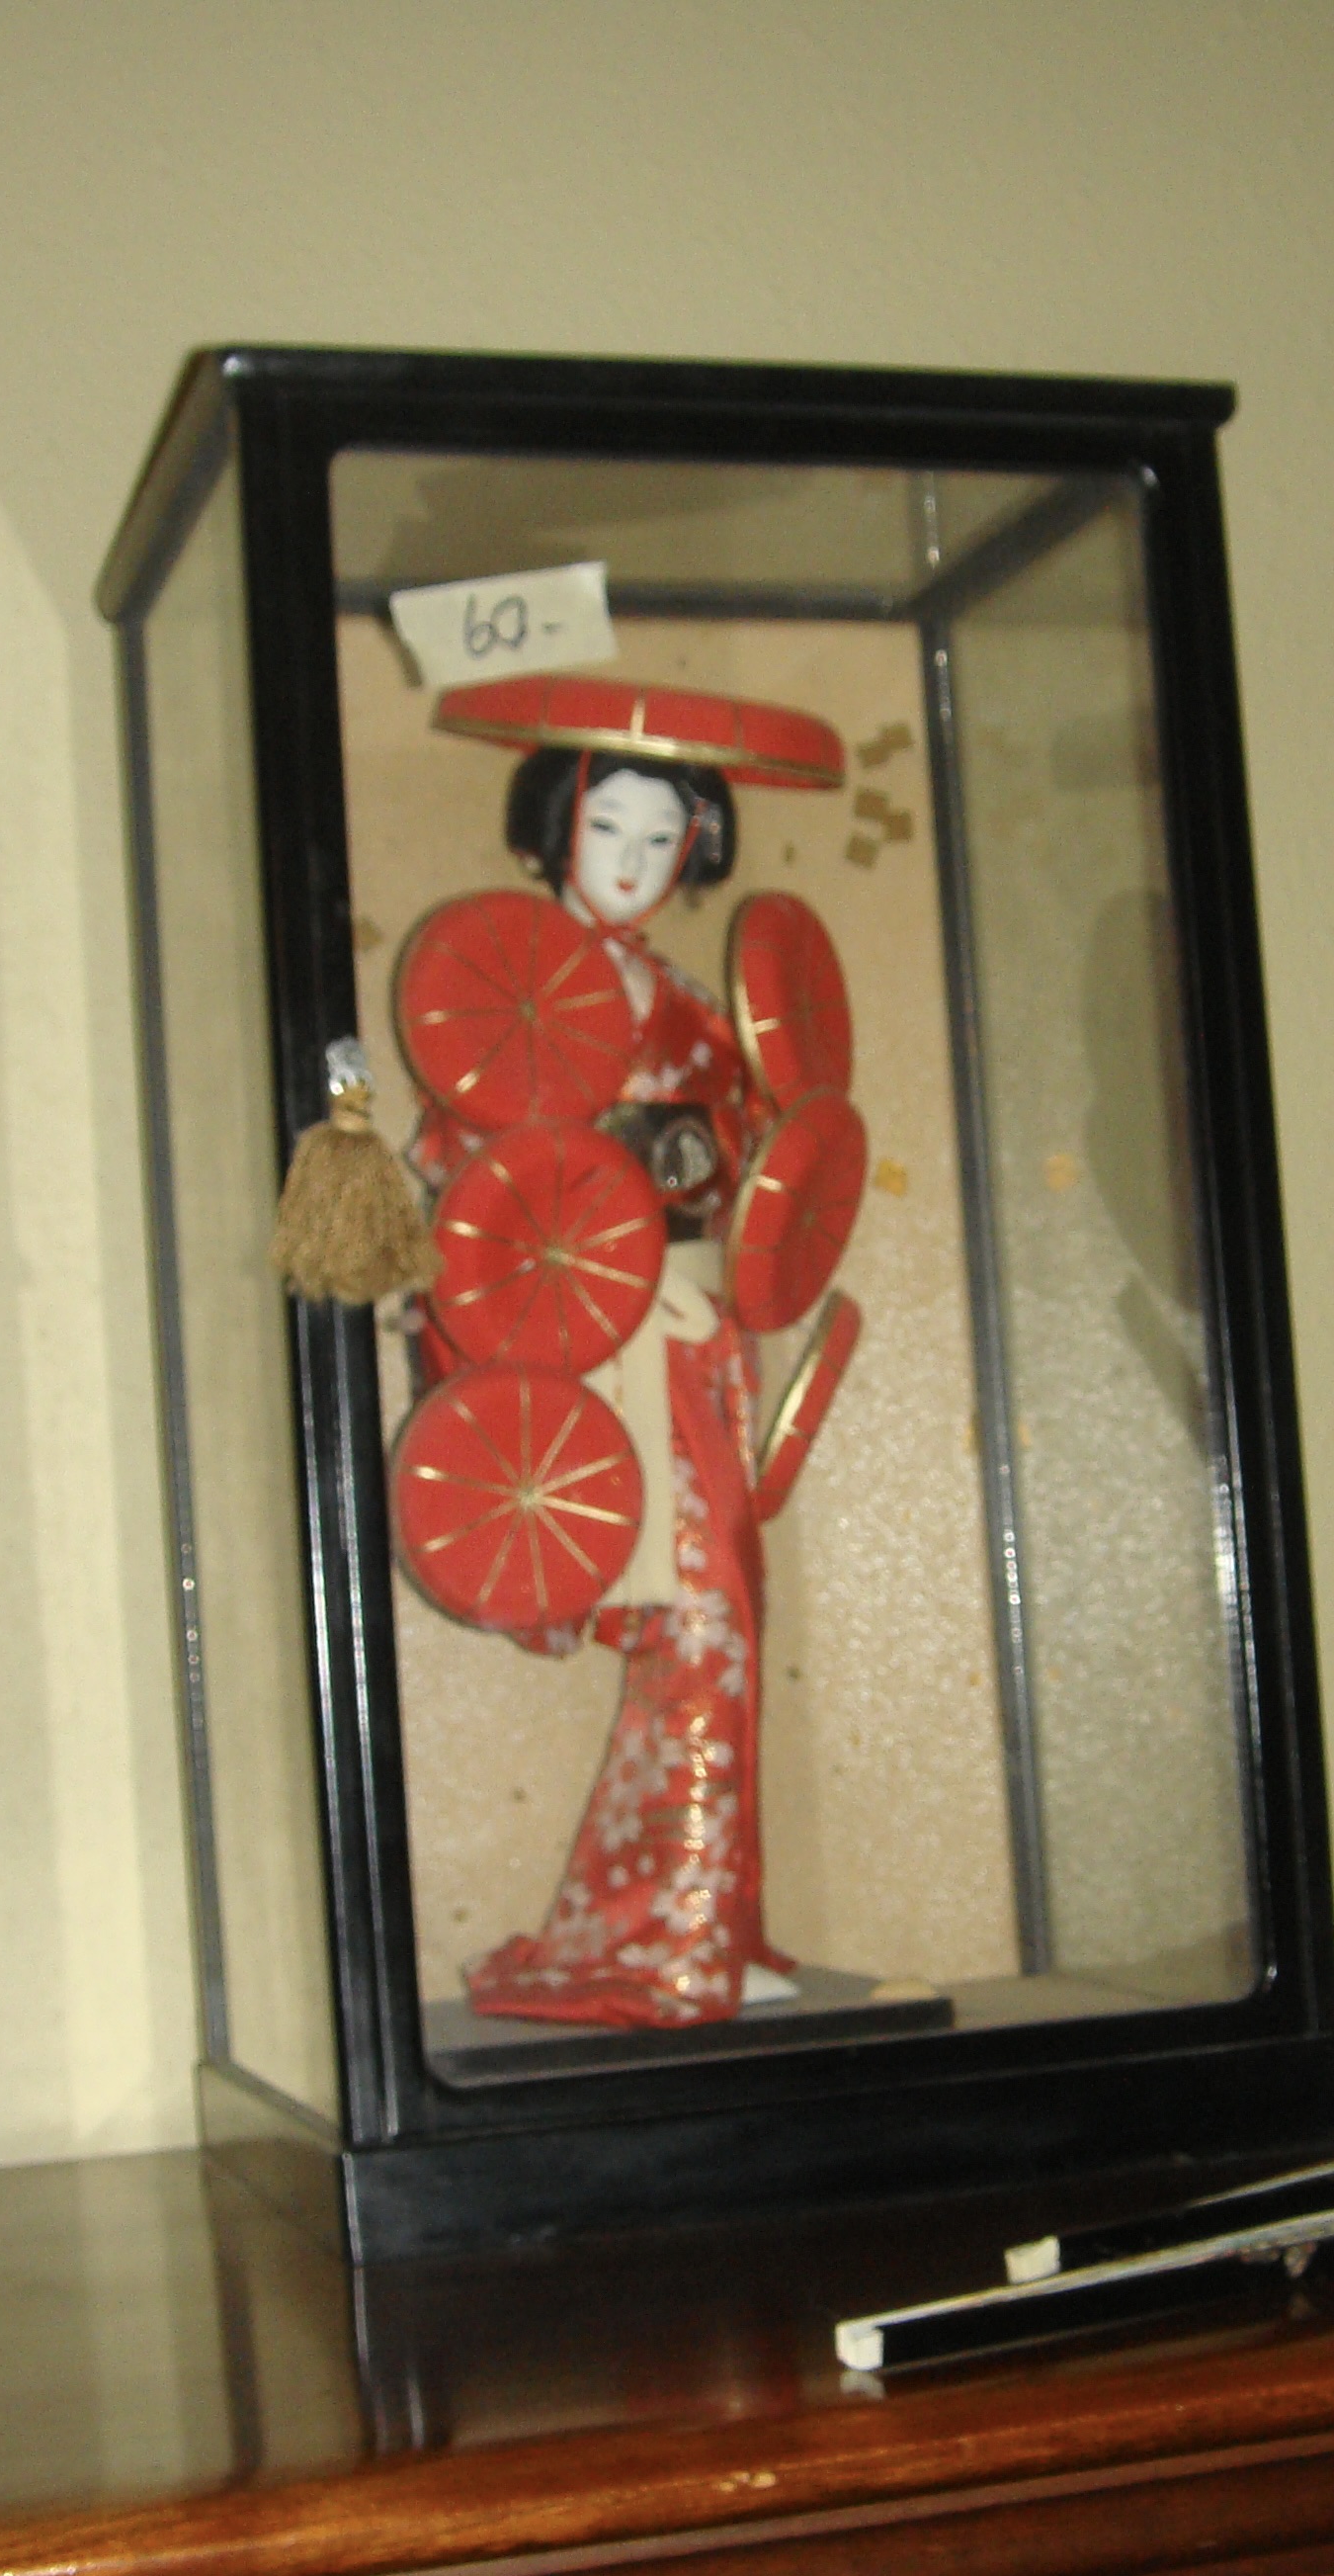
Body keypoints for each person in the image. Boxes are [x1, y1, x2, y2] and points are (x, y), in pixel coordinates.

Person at [420, 742, 806, 2028]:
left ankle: (692, 1926)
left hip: (690, 1330)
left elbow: (728, 1168)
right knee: (702, 1626)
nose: (634, 862)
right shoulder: (506, 994)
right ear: (555, 833)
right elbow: (465, 1183)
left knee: (726, 1619)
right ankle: (664, 1940)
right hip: (586, 1331)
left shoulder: (695, 1007)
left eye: (661, 836)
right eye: (607, 829)